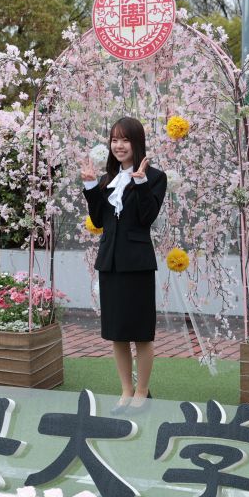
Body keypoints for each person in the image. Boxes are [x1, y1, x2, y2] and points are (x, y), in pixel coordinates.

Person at [81, 117, 168, 414]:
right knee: (117, 333)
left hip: (138, 265)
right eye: (114, 140)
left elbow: (147, 217)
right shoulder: (107, 179)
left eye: (125, 139)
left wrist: (140, 183)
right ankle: (126, 390)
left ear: (137, 142)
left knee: (141, 332)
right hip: (110, 264)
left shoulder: (155, 177)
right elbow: (98, 220)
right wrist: (90, 186)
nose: (118, 145)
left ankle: (142, 391)